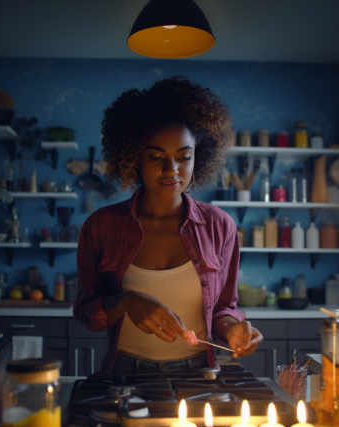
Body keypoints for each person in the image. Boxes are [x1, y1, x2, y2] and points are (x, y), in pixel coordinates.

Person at [74, 76, 263, 374]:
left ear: (197, 158)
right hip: (124, 374)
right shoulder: (100, 227)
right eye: (155, 157)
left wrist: (231, 329)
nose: (171, 171)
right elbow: (86, 313)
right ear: (133, 158)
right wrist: (125, 301)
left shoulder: (220, 226)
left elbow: (224, 306)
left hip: (199, 374)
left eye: (183, 157)